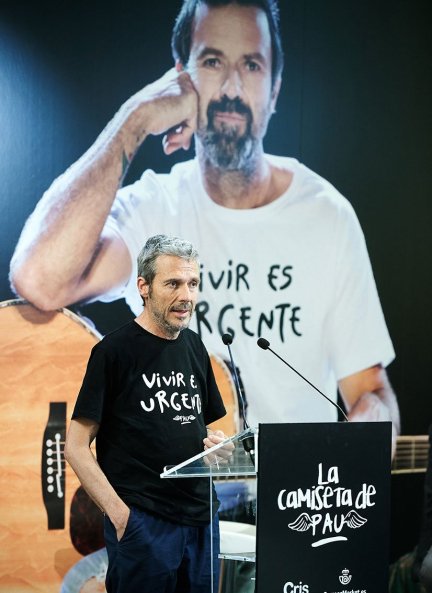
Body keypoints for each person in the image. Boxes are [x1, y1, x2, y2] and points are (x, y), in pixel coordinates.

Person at [10, 0, 400, 441]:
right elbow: (40, 280)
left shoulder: (326, 216)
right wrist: (136, 119)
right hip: (174, 506)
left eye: (251, 65)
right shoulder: (152, 210)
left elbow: (371, 391)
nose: (232, 87)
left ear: (274, 91)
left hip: (292, 507)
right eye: (213, 61)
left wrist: (361, 444)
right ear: (182, 77)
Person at [64, 234, 229, 593]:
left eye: (193, 283)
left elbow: (199, 430)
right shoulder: (114, 352)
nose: (186, 295)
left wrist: (215, 447)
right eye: (173, 283)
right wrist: (121, 516)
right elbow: (75, 447)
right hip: (145, 525)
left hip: (202, 520)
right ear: (144, 286)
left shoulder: (194, 345)